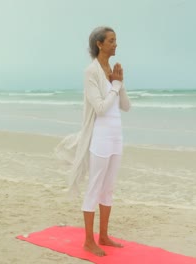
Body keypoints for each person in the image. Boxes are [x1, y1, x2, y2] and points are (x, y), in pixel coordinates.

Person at [55, 26, 131, 257]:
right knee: (95, 187)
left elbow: (125, 106)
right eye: (111, 40)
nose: (116, 44)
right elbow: (99, 108)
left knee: (109, 188)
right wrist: (114, 86)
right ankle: (89, 241)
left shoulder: (111, 71)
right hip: (100, 137)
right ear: (99, 44)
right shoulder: (91, 71)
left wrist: (120, 82)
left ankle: (104, 236)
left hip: (116, 137)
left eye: (116, 40)